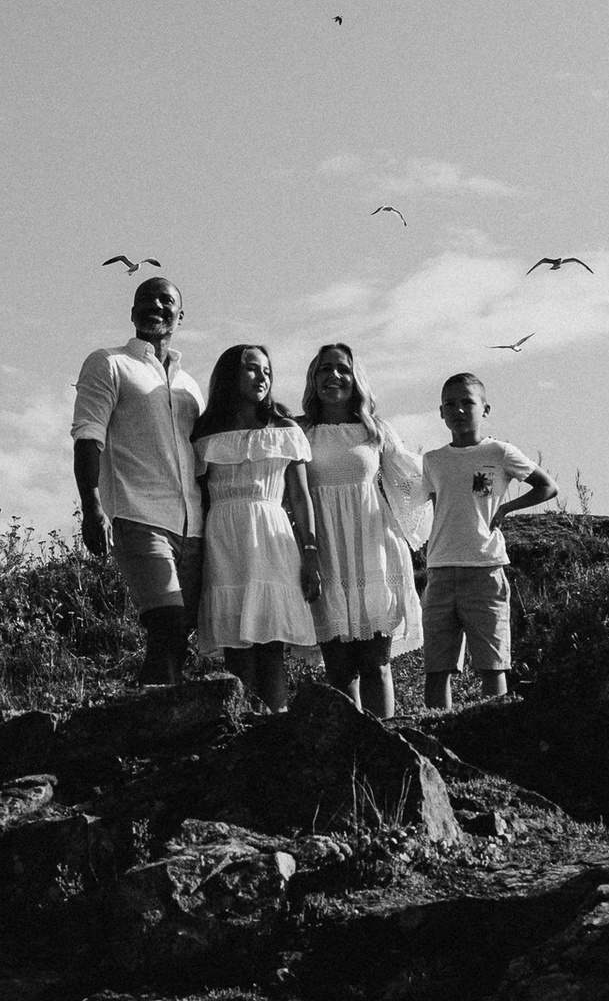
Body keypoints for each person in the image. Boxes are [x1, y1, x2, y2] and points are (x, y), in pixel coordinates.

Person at [71, 275, 203, 685]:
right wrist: (92, 507)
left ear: (181, 315)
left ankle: (158, 717)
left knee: (184, 631)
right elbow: (87, 435)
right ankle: (154, 721)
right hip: (138, 515)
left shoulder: (190, 386)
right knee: (167, 621)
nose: (155, 306)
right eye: (145, 299)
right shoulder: (109, 362)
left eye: (166, 301)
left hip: (194, 525)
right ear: (132, 313)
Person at [300, 340, 427, 718]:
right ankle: (351, 751)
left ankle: (387, 744)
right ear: (313, 378)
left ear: (356, 380)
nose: (333, 376)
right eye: (325, 369)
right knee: (340, 671)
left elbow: (413, 480)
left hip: (374, 552)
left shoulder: (375, 431)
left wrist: (457, 481)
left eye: (343, 369)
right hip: (325, 555)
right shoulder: (300, 432)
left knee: (375, 665)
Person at [191, 342, 321, 705]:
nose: (261, 377)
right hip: (224, 540)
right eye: (251, 368)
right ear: (230, 375)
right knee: (238, 648)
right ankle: (244, 728)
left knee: (271, 649)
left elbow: (300, 497)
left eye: (266, 371)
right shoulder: (205, 434)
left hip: (272, 538)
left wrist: (310, 552)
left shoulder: (286, 430)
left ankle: (275, 723)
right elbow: (198, 497)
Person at [418, 371, 555, 708]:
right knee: (437, 666)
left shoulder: (499, 452)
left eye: (468, 402)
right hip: (440, 569)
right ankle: (437, 734)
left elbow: (546, 486)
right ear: (441, 412)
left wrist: (507, 508)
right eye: (451, 404)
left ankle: (494, 734)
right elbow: (438, 506)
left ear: (485, 408)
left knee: (492, 664)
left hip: (485, 568)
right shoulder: (432, 460)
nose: (459, 410)